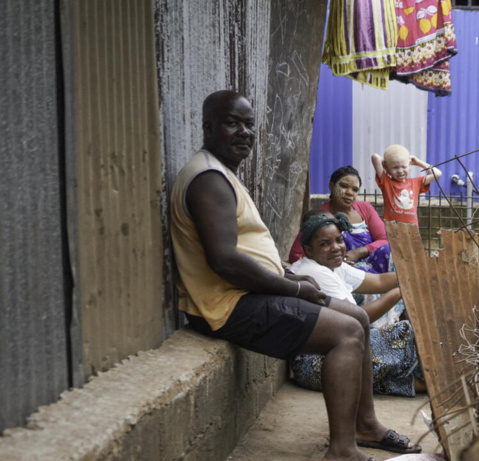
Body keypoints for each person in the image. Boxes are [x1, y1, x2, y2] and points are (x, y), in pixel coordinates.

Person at [170, 90, 419, 460]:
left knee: (356, 318)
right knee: (347, 332)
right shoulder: (209, 180)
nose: (243, 132)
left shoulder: (220, 174)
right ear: (207, 127)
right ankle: (342, 450)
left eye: (249, 125)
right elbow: (224, 261)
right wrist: (293, 287)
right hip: (228, 304)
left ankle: (365, 424)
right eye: (231, 123)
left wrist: (290, 281)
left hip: (247, 293)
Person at [289, 211, 425, 397]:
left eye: (339, 240)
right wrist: (402, 292)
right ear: (309, 250)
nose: (336, 248)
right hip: (316, 362)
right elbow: (359, 317)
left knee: (397, 357)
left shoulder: (332, 264)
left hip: (333, 354)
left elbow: (377, 282)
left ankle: (421, 383)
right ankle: (431, 376)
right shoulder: (315, 272)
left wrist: (418, 275)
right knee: (404, 332)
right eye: (324, 244)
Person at [289, 166, 392, 274]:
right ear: (331, 186)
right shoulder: (319, 216)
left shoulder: (365, 209)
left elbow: (384, 239)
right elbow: (296, 255)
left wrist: (359, 252)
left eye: (355, 189)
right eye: (344, 186)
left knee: (390, 251)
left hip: (372, 260)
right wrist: (334, 263)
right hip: (343, 269)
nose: (349, 192)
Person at [371, 144, 442, 226]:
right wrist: (387, 162)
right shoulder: (386, 182)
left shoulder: (416, 182)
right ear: (387, 167)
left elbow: (437, 173)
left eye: (404, 167)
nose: (400, 171)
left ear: (409, 165)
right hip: (391, 229)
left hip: (411, 231)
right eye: (395, 168)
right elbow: (375, 157)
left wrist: (418, 162)